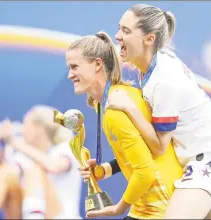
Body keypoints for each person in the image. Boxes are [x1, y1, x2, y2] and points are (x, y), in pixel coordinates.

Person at [102, 4, 211, 219]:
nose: (118, 36)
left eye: (126, 31)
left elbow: (159, 147)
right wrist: (109, 168)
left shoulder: (163, 81)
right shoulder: (153, 66)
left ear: (149, 39)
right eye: (120, 28)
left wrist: (129, 107)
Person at [66, 31, 183, 219]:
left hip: (158, 210)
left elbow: (146, 172)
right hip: (154, 207)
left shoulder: (114, 111)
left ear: (97, 64)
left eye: (74, 67)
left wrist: (118, 209)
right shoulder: (119, 96)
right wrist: (105, 170)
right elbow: (142, 153)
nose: (70, 75)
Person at [0, 105, 82, 219]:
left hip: (61, 216)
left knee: (35, 170)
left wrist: (14, 142)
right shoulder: (23, 155)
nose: (22, 130)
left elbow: (53, 166)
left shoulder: (65, 148)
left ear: (38, 128)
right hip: (24, 213)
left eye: (25, 124)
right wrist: (3, 145)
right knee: (6, 172)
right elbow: (2, 178)